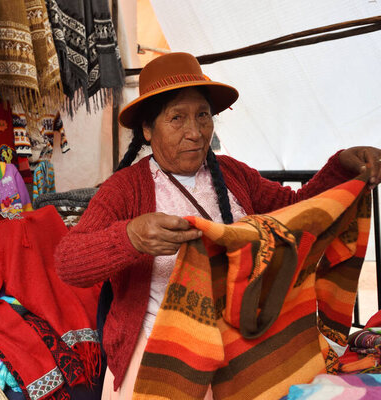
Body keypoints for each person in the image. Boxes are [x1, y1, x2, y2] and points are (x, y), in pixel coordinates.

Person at [54, 52, 381, 399]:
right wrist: (130, 237)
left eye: (203, 115)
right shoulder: (126, 189)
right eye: (177, 118)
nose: (195, 132)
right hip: (161, 359)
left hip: (242, 354)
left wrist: (342, 171)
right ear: (147, 130)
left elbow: (294, 212)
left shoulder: (232, 173)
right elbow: (68, 262)